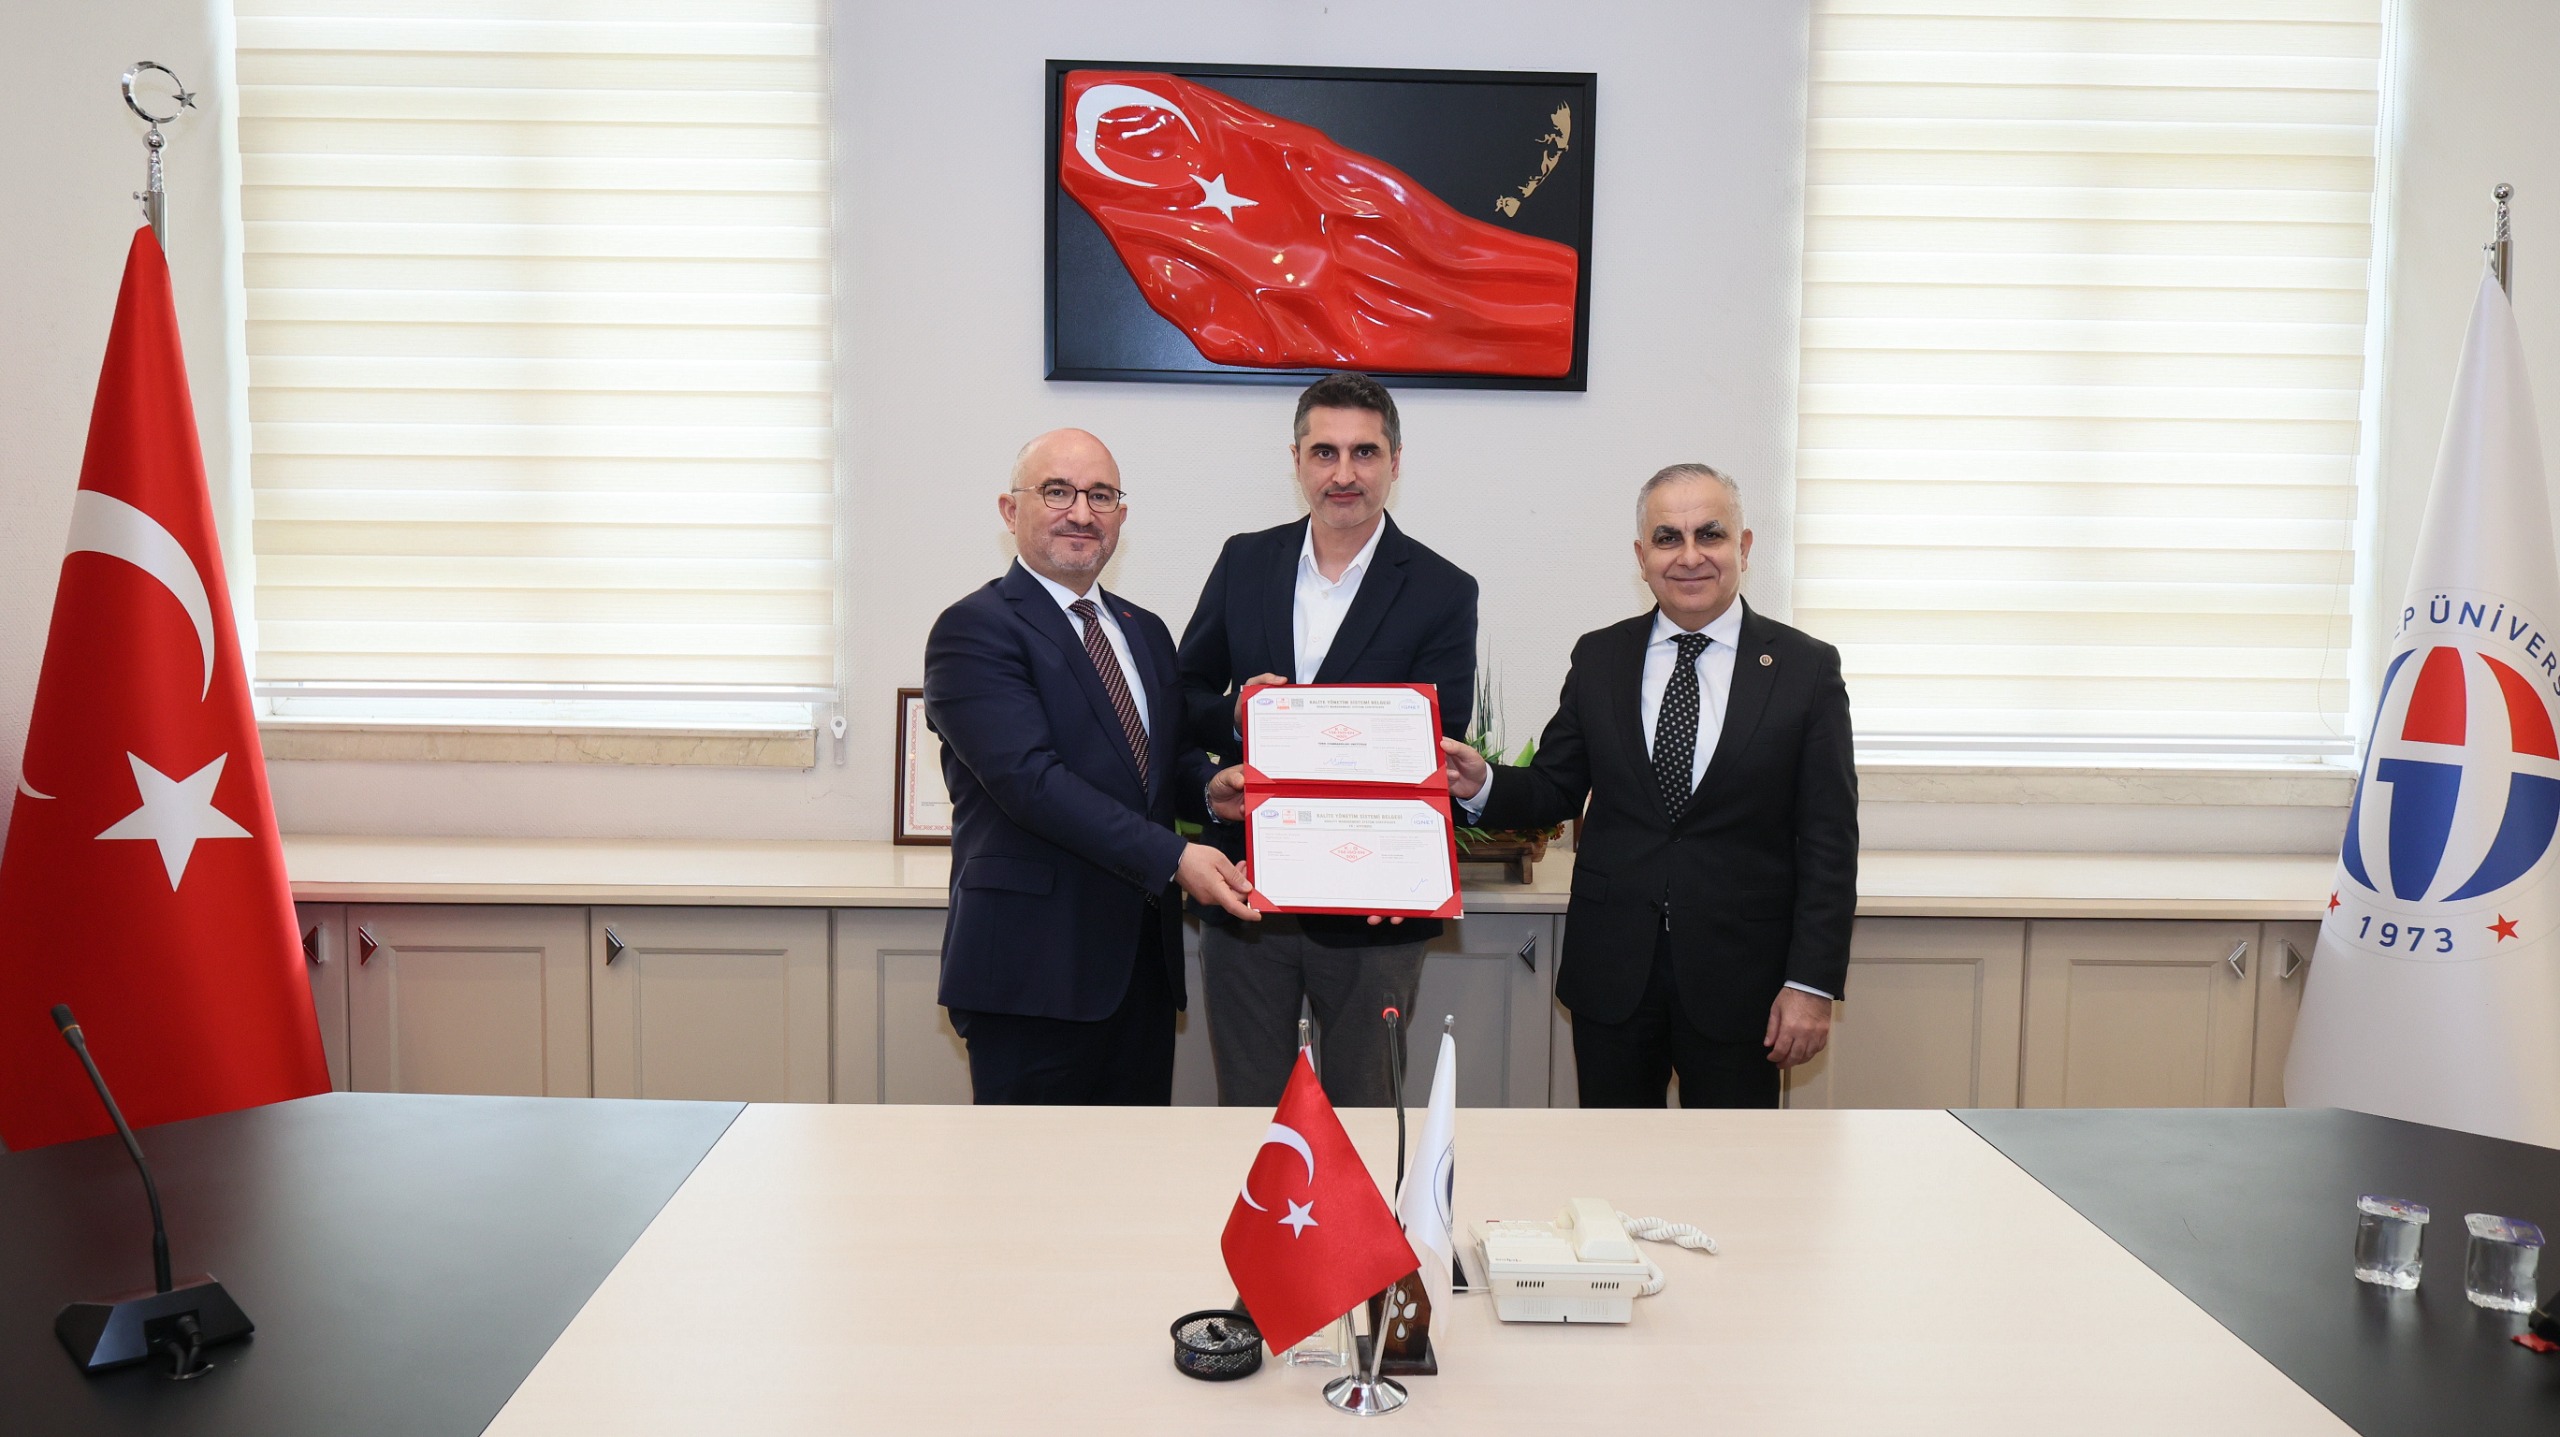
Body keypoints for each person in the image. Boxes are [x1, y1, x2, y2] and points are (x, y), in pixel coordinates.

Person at [1441, 463, 1856, 1108]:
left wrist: (1811, 983)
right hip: (1613, 974)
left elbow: (1829, 840)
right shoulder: (1600, 657)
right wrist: (1482, 783)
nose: (1689, 556)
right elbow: (1554, 787)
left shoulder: (1805, 668)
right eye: (1668, 538)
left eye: (1710, 534)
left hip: (1742, 981)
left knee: (1731, 1163)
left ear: (1744, 546)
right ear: (1642, 557)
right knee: (1612, 1160)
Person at [924, 428, 1258, 1105]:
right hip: (1030, 973)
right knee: (1030, 1171)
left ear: (1121, 516)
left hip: (1139, 972)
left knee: (1131, 1171)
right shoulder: (973, 630)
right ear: (1010, 510)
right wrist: (1176, 856)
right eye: (1058, 492)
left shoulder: (1144, 630)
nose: (1081, 512)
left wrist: (1207, 789)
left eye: (1100, 496)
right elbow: (1032, 784)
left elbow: (1157, 762)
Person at [1177, 372, 1479, 1107]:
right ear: (1297, 460)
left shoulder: (1443, 589)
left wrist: (1404, 870)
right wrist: (1238, 715)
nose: (1344, 473)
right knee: (1253, 1117)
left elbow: (1438, 742)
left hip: (1374, 909)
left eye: (1364, 452)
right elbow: (1182, 696)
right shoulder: (1244, 561)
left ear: (1395, 462)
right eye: (1325, 452)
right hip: (1247, 893)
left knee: (1366, 1118)